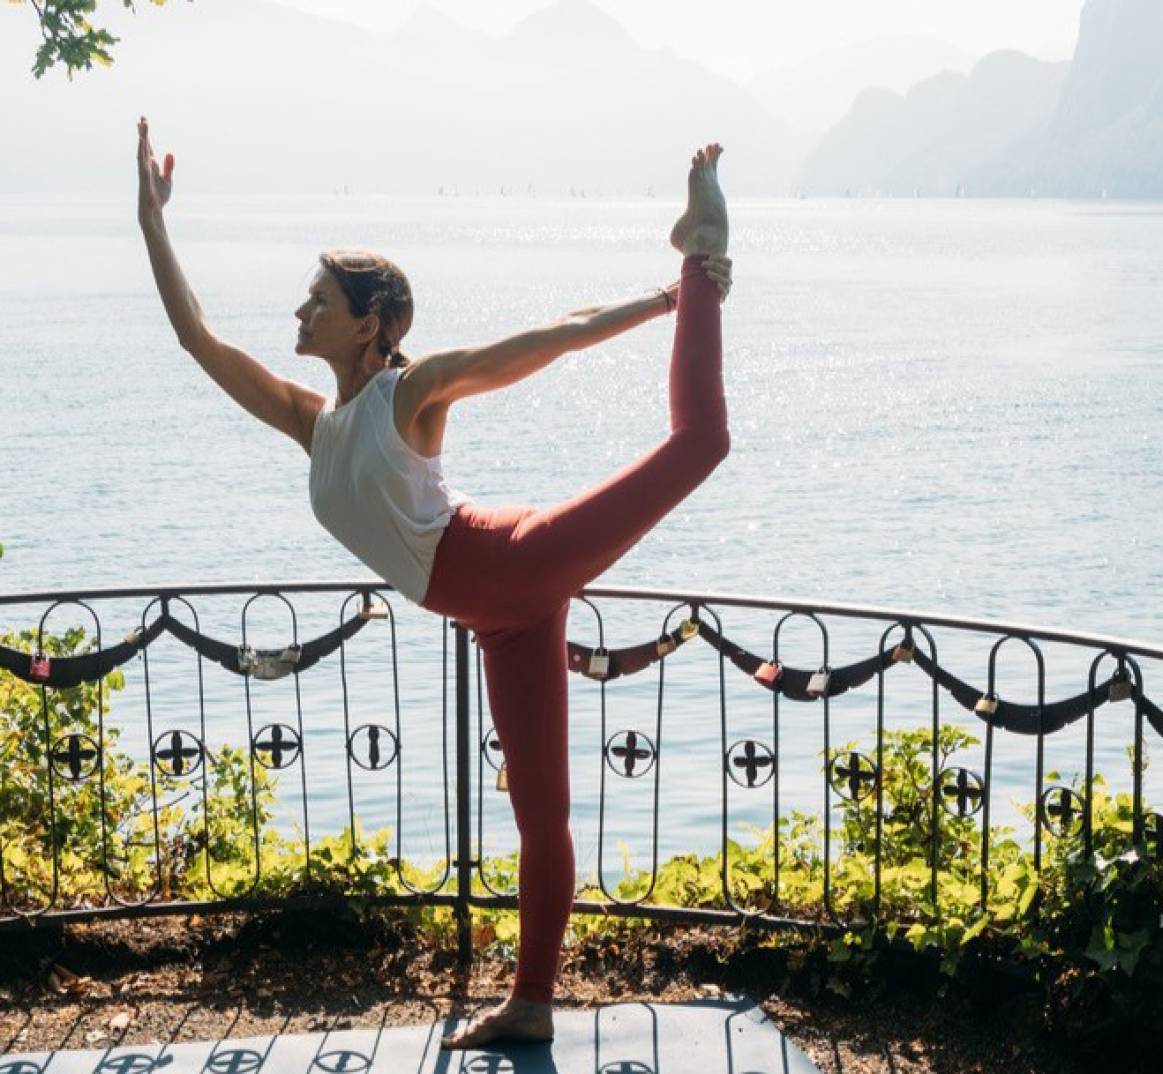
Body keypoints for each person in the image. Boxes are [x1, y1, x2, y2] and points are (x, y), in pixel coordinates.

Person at [136, 117, 732, 1049]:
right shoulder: (312, 422)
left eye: (317, 298)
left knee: (703, 444)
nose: (299, 312)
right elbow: (195, 338)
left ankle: (703, 256)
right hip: (494, 615)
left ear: (369, 322)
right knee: (543, 813)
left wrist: (669, 299)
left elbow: (555, 337)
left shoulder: (408, 395)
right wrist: (152, 219)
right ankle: (531, 1006)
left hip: (514, 561)